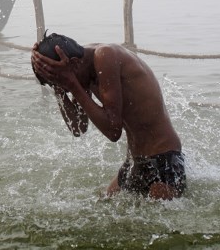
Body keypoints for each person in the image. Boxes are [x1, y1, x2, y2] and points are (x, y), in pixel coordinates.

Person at [31, 32, 186, 200]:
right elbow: (78, 128)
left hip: (163, 159)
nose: (66, 89)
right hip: (134, 163)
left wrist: (71, 83)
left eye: (63, 83)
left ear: (74, 64)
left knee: (157, 216)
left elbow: (113, 131)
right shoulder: (81, 66)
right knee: (101, 202)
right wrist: (59, 88)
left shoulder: (104, 56)